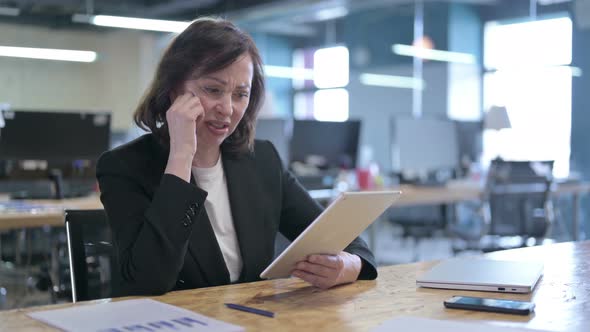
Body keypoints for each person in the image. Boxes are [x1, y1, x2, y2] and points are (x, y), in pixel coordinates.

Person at [97, 17, 377, 297]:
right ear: (173, 90)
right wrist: (181, 155)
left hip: (251, 320)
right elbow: (148, 281)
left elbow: (346, 241)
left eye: (241, 94)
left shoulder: (262, 159)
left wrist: (348, 265)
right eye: (213, 90)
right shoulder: (124, 167)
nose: (228, 109)